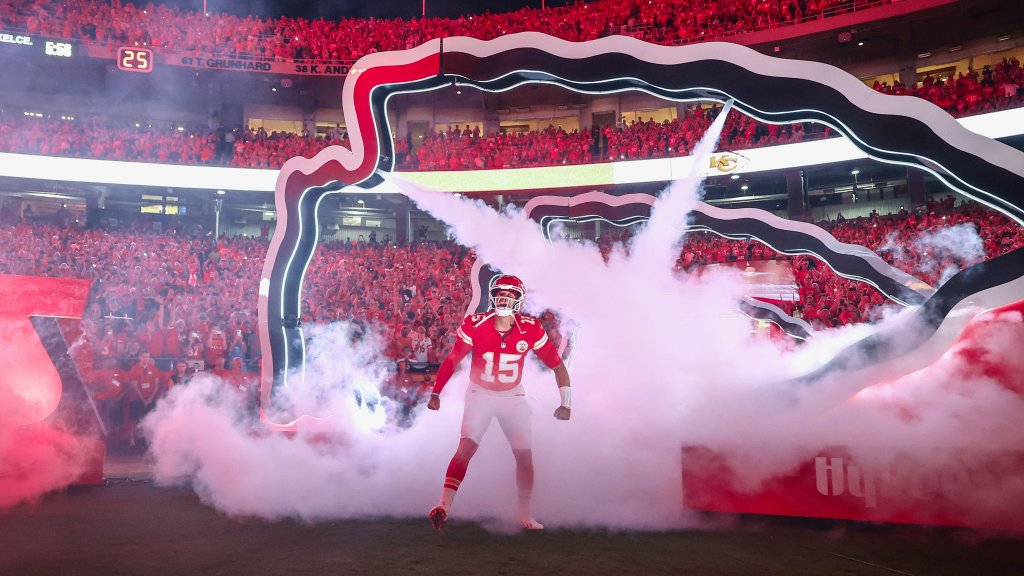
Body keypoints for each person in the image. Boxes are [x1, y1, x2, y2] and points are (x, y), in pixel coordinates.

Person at [426, 274, 571, 531]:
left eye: (510, 294)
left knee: (524, 457)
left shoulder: (531, 327)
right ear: (493, 297)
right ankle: (443, 505)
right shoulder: (476, 323)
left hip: (512, 396)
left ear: (519, 300)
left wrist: (566, 402)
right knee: (466, 449)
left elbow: (557, 366)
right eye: (500, 293)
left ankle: (525, 513)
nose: (504, 297)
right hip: (480, 393)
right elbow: (452, 360)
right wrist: (436, 392)